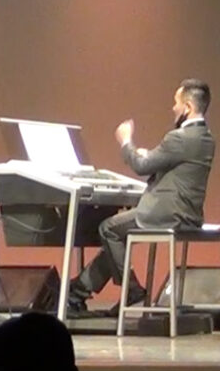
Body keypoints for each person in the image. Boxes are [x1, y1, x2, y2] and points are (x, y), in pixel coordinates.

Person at [68, 79, 214, 314]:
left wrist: (126, 141)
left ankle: (132, 290)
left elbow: (141, 166)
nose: (173, 108)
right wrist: (148, 154)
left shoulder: (179, 138)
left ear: (187, 107)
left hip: (168, 214)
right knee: (117, 238)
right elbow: (171, 163)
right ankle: (78, 290)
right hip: (189, 214)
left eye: (176, 103)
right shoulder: (205, 138)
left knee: (109, 229)